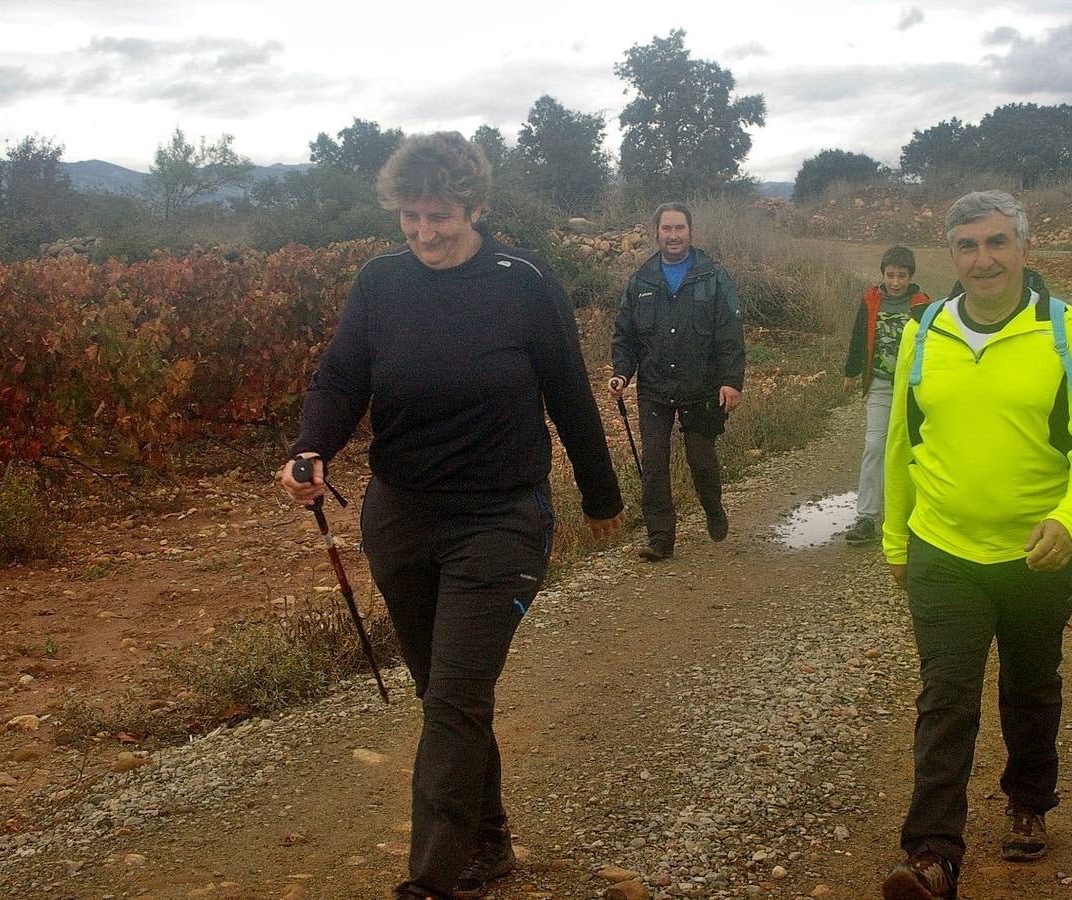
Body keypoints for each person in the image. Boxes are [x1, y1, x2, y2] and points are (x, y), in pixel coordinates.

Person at [278, 132, 624, 900]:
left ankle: (436, 880)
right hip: (400, 517)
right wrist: (312, 449)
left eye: (440, 216)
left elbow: (570, 394)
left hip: (501, 520)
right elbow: (341, 378)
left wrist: (601, 500)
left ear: (475, 208)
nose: (425, 232)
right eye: (411, 216)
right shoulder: (381, 283)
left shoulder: (525, 282)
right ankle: (488, 842)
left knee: (458, 696)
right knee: (446, 698)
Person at [880, 190, 1072, 899]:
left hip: (1038, 551)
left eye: (996, 242)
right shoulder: (924, 331)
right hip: (944, 547)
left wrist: (1071, 518)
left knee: (1031, 683)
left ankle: (1028, 802)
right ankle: (931, 855)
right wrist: (898, 539)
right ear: (951, 255)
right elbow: (901, 440)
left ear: (1023, 248)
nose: (983, 259)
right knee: (946, 697)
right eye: (967, 246)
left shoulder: (1068, 331)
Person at [609, 202, 746, 561]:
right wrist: (621, 372)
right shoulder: (640, 280)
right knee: (654, 465)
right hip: (655, 389)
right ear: (655, 232)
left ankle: (712, 507)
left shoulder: (712, 276)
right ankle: (661, 538)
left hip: (701, 388)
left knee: (701, 461)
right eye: (667, 228)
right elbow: (626, 336)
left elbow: (730, 333)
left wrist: (731, 381)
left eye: (679, 228)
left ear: (690, 231)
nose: (673, 235)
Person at [841, 245, 931, 545]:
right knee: (875, 446)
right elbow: (858, 336)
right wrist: (850, 373)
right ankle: (866, 516)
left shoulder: (922, 305)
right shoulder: (871, 301)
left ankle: (918, 516)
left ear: (910, 276)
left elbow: (932, 346)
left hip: (913, 389)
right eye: (890, 275)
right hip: (879, 385)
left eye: (901, 276)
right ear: (882, 274)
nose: (895, 282)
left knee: (912, 449)